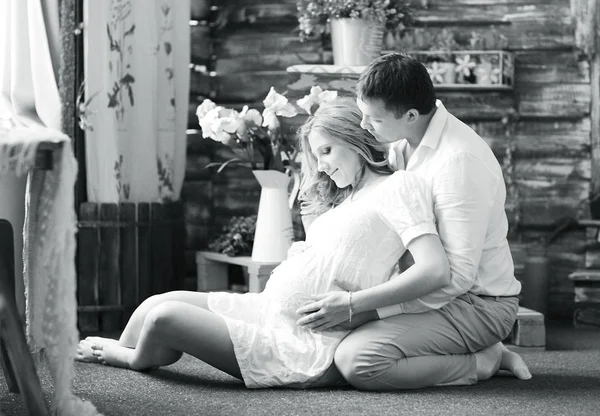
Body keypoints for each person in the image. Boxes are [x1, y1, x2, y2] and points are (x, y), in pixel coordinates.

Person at [75, 97, 453, 388]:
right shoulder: (345, 199)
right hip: (267, 310)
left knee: (164, 318)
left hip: (301, 341)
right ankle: (134, 351)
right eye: (315, 156)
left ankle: (130, 359)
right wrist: (316, 184)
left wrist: (354, 304)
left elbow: (434, 270)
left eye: (326, 151)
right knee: (153, 304)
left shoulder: (398, 186)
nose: (320, 165)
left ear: (356, 139)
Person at [311, 52, 531, 390]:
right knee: (330, 330)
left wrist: (364, 308)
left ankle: (485, 359)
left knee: (358, 360)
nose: (364, 126)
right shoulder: (400, 143)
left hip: (477, 303)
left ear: (411, 115)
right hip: (433, 293)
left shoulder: (458, 162)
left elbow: (455, 278)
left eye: (374, 119)